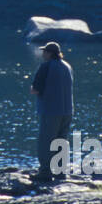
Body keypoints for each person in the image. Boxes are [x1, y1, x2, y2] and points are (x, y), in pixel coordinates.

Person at [30, 41, 74, 183]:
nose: (43, 54)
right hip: (67, 110)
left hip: (50, 110)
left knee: (46, 142)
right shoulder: (67, 66)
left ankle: (45, 172)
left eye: (44, 51)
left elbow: (35, 89)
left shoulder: (46, 66)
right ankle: (60, 172)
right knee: (61, 141)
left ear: (49, 53)